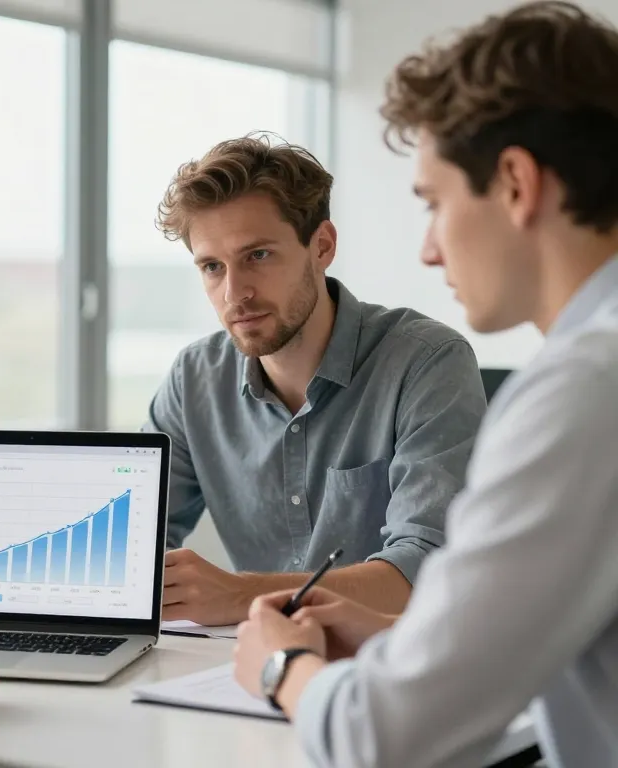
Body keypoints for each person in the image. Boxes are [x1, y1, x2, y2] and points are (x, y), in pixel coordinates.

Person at [232, 2, 618, 766]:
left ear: (516, 183)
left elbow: (383, 740)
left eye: (435, 204)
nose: (430, 250)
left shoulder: (584, 393)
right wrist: (408, 639)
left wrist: (282, 668)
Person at [147, 134, 487, 626]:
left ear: (322, 246)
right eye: (213, 267)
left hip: (390, 657)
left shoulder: (427, 362)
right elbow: (135, 542)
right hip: (251, 657)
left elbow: (426, 570)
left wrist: (240, 595)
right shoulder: (194, 379)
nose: (234, 293)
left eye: (258, 256)